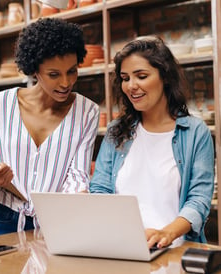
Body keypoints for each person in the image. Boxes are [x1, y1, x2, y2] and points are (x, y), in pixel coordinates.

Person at [0, 18, 99, 236]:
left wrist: (79, 202)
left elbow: (78, 175)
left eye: (72, 71)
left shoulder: (87, 111)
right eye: (54, 74)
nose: (65, 82)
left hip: (58, 223)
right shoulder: (1, 104)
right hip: (5, 220)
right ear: (34, 70)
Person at [89, 36, 214, 248]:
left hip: (174, 250)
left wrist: (166, 233)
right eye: (125, 78)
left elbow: (199, 199)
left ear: (164, 76)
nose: (131, 86)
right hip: (123, 248)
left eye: (141, 76)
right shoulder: (116, 131)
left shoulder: (195, 132)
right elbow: (100, 189)